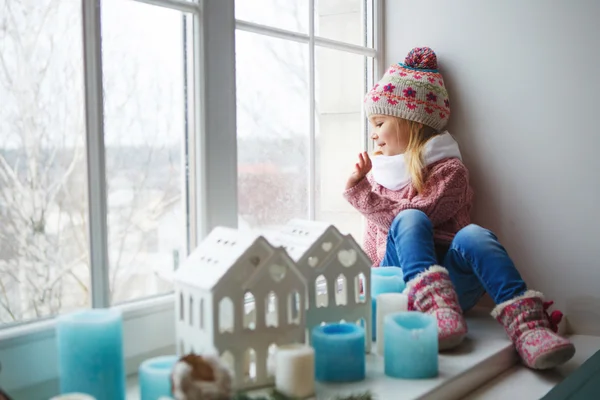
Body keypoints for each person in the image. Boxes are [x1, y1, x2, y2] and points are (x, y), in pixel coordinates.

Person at [343, 46, 575, 370]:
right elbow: (373, 243)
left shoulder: (449, 171)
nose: (373, 133)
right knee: (406, 219)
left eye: (380, 122)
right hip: (401, 290)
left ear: (410, 121)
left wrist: (361, 194)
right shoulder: (377, 176)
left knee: (471, 233)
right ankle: (431, 309)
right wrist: (358, 295)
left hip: (452, 293)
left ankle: (529, 327)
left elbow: (420, 214)